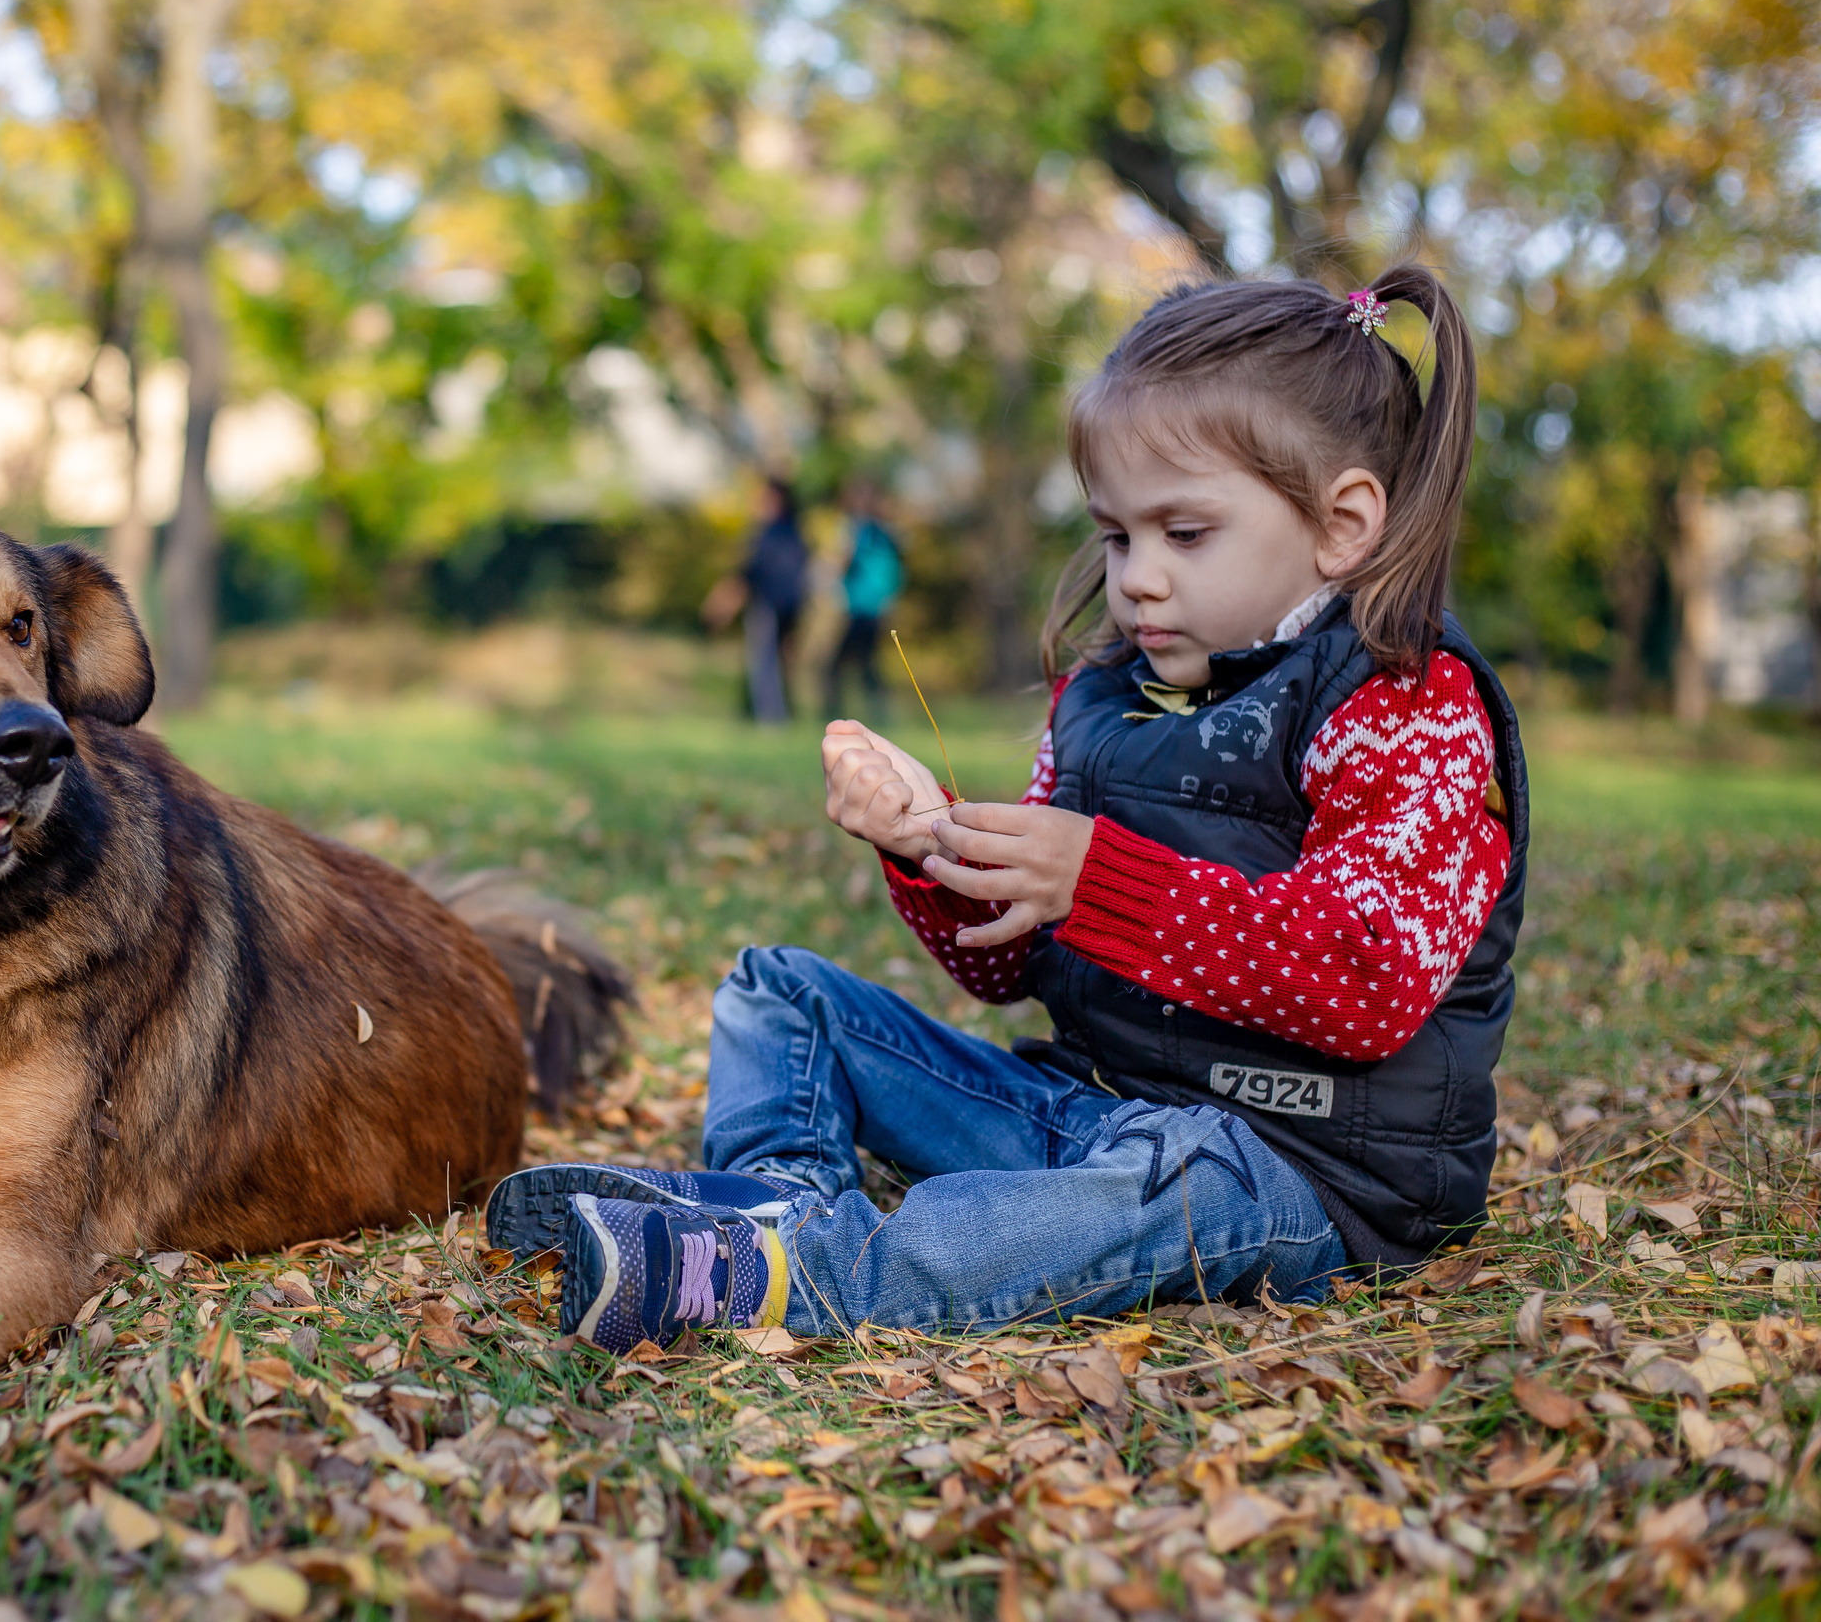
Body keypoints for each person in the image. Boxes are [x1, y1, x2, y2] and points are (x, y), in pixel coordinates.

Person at [485, 267, 1529, 1350]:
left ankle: (799, 1271)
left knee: (1111, 1201)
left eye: (1185, 534)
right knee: (778, 992)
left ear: (1343, 524)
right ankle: (778, 1203)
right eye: (1117, 536)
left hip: (1301, 1163)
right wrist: (933, 846)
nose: (1137, 581)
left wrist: (1096, 880)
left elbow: (1364, 980)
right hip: (1086, 1105)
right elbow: (1007, 967)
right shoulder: (1106, 698)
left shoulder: (1404, 703)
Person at [704, 477, 810, 725]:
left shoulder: (768, 533)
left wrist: (724, 600)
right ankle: (763, 714)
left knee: (764, 663)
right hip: (791, 605)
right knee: (779, 664)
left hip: (769, 605)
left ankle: (771, 719)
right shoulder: (795, 532)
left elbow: (750, 570)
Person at [824, 478, 903, 726]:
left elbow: (843, 561)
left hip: (861, 608)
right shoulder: (887, 532)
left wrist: (826, 574)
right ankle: (879, 715)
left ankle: (833, 718)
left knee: (836, 666)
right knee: (866, 665)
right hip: (878, 608)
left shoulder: (859, 530)